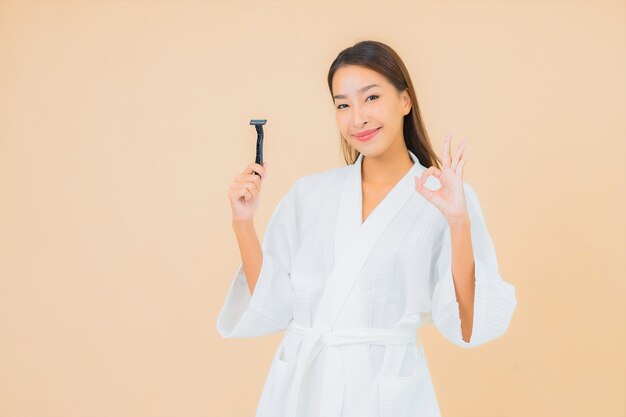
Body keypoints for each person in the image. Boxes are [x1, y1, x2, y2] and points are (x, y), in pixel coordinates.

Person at [217, 40, 518, 417]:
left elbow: (469, 323)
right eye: (342, 104)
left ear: (405, 100)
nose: (356, 118)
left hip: (384, 392)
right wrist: (243, 224)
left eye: (371, 98)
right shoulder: (310, 193)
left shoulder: (447, 197)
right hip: (302, 390)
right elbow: (274, 306)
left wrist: (458, 221)